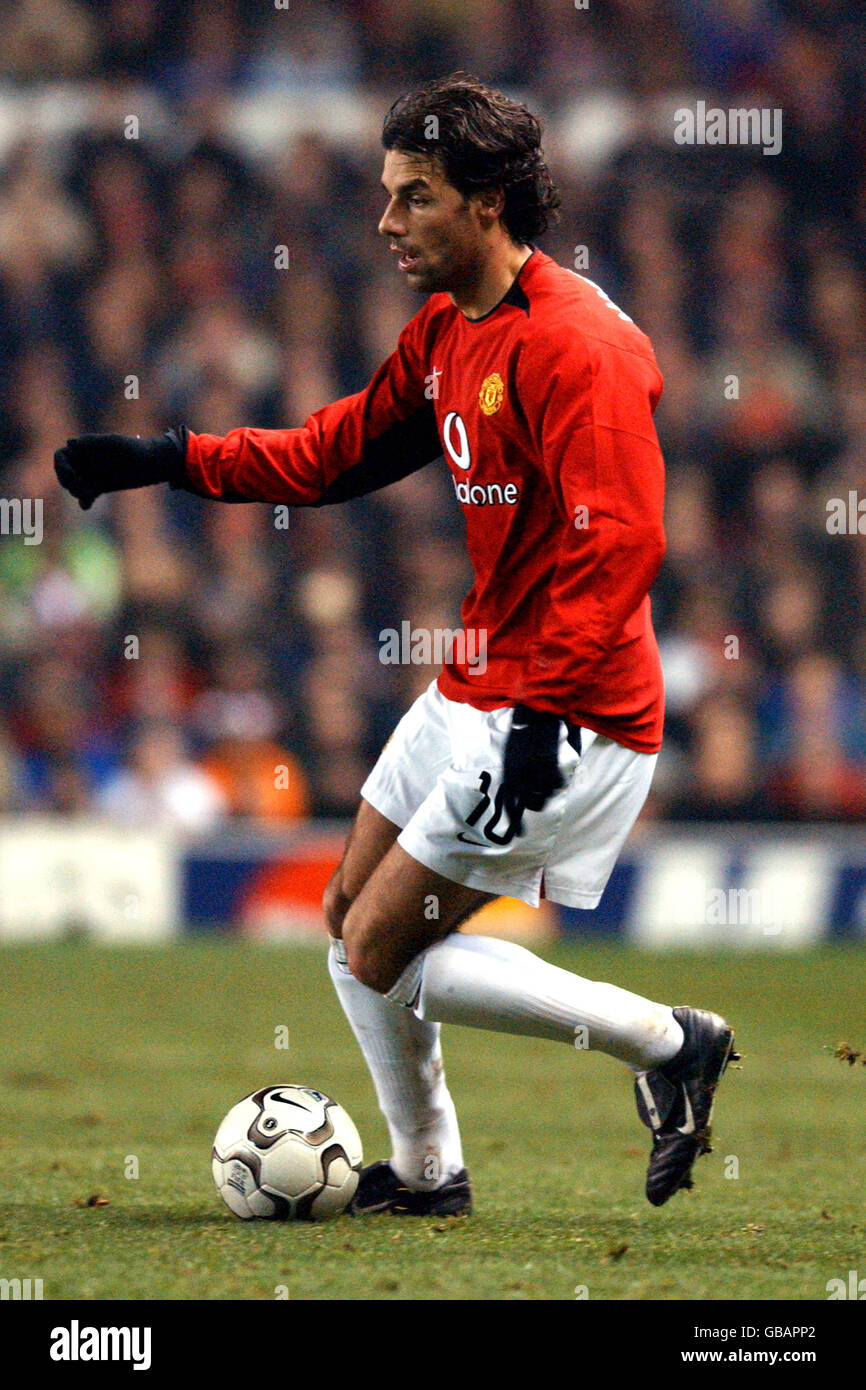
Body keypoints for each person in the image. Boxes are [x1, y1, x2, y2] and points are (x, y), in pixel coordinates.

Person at [54, 73, 737, 1215]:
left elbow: (619, 546)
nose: (384, 222)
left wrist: (543, 719)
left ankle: (667, 1041)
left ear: (483, 203)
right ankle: (427, 1176)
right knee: (345, 926)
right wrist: (172, 456)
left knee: (381, 949)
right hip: (481, 682)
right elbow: (329, 456)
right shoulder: (444, 332)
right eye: (385, 195)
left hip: (571, 714)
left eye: (411, 197)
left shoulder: (580, 351)